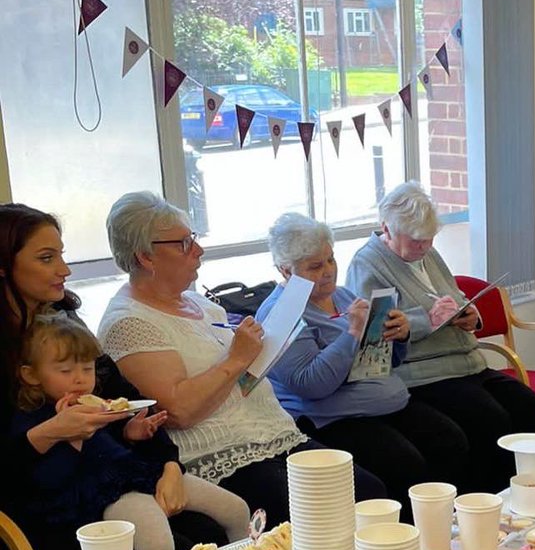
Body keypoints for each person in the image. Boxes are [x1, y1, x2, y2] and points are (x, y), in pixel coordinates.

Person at [97, 192, 385, 523]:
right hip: (219, 455)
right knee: (321, 516)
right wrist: (237, 358)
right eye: (184, 243)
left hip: (274, 436)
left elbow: (243, 378)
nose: (198, 250)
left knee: (369, 493)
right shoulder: (129, 322)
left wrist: (262, 351)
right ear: (146, 257)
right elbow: (176, 411)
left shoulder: (201, 304)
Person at [0, 203, 228, 550]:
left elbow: (131, 403)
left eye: (62, 255)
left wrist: (170, 465)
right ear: (4, 265)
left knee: (212, 532)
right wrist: (52, 431)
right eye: (46, 258)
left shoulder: (63, 321)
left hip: (109, 476)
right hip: (47, 507)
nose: (65, 270)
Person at [344, 182, 535, 491]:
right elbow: (376, 331)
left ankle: (519, 491)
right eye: (416, 241)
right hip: (425, 373)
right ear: (386, 228)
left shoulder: (429, 253)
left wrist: (470, 314)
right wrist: (423, 321)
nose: (424, 247)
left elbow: (454, 295)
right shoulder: (367, 264)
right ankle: (486, 499)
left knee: (528, 407)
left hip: (466, 362)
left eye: (429, 239)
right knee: (491, 420)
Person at [258, 212, 470, 500]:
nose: (328, 271)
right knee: (405, 464)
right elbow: (309, 383)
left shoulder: (344, 296)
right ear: (285, 270)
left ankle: (449, 526)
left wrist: (399, 334)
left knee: (451, 440)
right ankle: (406, 540)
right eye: (315, 266)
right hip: (333, 418)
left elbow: (385, 362)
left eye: (331, 259)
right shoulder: (279, 313)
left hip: (385, 403)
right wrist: (353, 334)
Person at [13, 313, 249, 550]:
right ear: (31, 375)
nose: (80, 378)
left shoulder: (98, 403)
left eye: (88, 368)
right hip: (105, 493)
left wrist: (131, 432)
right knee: (158, 545)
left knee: (236, 509)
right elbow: (51, 477)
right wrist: (69, 434)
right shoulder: (33, 418)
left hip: (139, 472)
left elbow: (110, 440)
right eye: (65, 371)